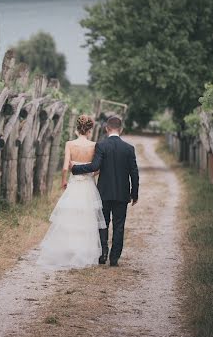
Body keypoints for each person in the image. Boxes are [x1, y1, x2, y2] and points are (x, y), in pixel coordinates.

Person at [37, 115, 105, 269]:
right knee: (87, 218)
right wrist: (90, 175)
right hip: (88, 185)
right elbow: (96, 168)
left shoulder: (69, 144)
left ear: (77, 127)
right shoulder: (94, 145)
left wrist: (63, 181)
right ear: (89, 129)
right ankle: (84, 251)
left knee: (70, 216)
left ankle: (69, 249)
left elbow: (65, 167)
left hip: (74, 185)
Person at [71, 115, 139, 266]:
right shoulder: (129, 148)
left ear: (107, 129)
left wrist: (75, 168)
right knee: (119, 225)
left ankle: (103, 253)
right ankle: (114, 258)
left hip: (104, 192)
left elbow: (94, 167)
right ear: (121, 129)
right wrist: (134, 194)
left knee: (103, 223)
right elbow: (134, 173)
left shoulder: (101, 146)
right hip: (122, 194)